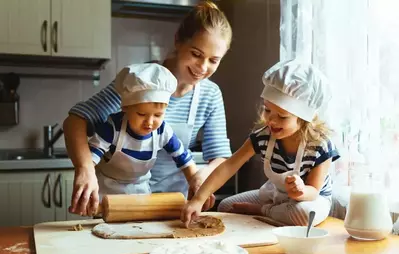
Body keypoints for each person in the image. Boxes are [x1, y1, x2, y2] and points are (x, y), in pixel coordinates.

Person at [63, 1, 233, 216]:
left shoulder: (210, 94)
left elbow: (219, 156)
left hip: (172, 208)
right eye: (196, 54)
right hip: (119, 205)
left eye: (213, 60)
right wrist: (85, 169)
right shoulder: (138, 82)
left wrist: (201, 175)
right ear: (178, 41)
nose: (203, 67)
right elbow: (76, 120)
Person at [181, 59, 340, 227]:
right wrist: (199, 199)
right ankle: (273, 209)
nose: (271, 120)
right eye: (267, 110)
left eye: (282, 116)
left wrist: (300, 191)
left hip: (311, 200)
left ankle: (263, 210)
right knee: (225, 206)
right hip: (277, 195)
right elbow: (229, 166)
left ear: (304, 118)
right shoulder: (264, 136)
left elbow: (314, 191)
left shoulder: (320, 145)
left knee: (303, 215)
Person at [89, 63, 197, 197]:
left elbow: (183, 158)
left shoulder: (162, 131)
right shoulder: (112, 128)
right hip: (106, 191)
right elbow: (91, 158)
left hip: (141, 192)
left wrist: (194, 181)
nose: (150, 122)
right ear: (125, 108)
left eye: (158, 115)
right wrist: (87, 183)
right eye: (141, 114)